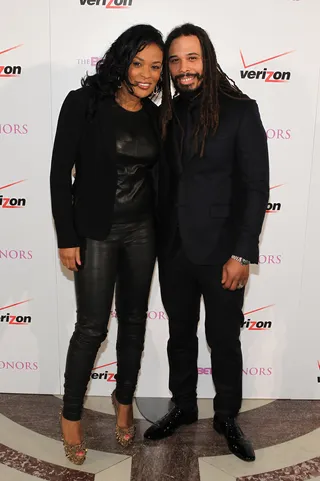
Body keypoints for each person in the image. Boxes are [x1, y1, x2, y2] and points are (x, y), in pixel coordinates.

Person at [144, 23, 269, 463]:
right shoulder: (166, 112)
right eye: (174, 61)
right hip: (173, 248)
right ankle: (183, 405)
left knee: (223, 337)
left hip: (222, 253)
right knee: (180, 336)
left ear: (207, 59)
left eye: (191, 58)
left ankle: (227, 415)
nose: (182, 68)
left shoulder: (240, 109)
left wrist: (242, 253)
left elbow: (256, 188)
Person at [50, 24, 164, 464]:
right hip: (96, 232)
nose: (147, 74)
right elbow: (61, 175)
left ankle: (123, 409)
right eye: (139, 63)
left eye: (156, 67)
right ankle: (71, 418)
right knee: (92, 328)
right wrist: (66, 237)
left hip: (142, 233)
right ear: (122, 60)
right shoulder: (84, 105)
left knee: (134, 323)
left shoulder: (155, 116)